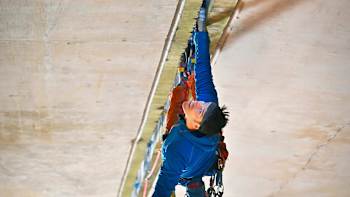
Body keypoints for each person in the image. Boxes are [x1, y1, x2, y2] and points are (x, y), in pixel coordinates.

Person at [152, 2, 229, 196]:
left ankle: (183, 83)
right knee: (195, 85)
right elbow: (204, 68)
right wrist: (200, 29)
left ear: (196, 123)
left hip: (191, 167)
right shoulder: (207, 106)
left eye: (201, 108)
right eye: (203, 105)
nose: (199, 101)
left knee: (177, 105)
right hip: (196, 166)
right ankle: (186, 81)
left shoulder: (177, 149)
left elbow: (162, 189)